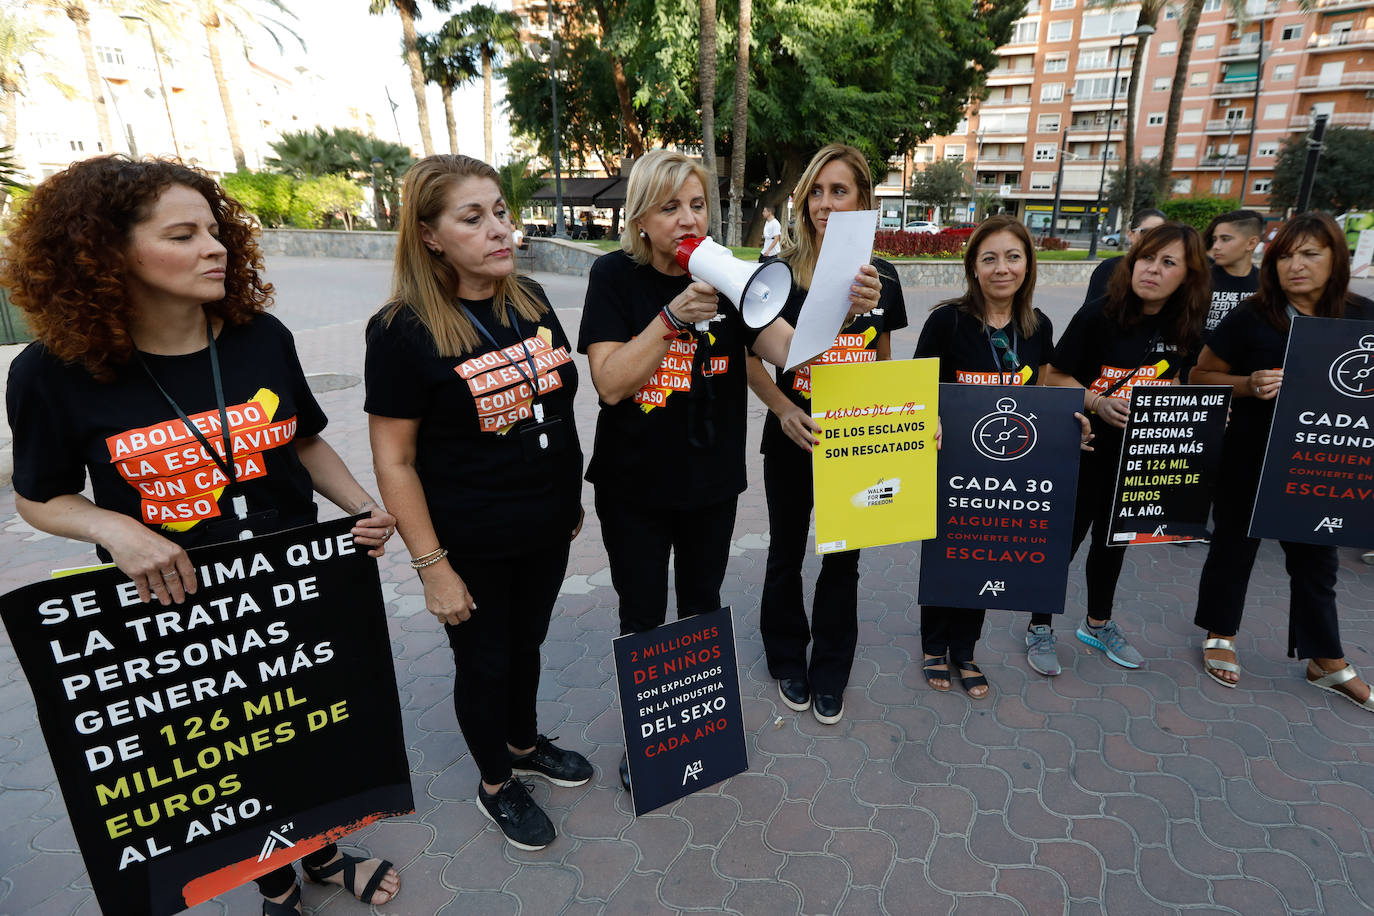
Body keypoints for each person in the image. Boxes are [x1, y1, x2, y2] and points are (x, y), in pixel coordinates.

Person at [2, 157, 401, 915]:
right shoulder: (53, 373)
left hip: (295, 584)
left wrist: (360, 506)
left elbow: (304, 441)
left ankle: (323, 856)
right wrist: (115, 528)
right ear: (106, 254)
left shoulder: (261, 338)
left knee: (304, 733)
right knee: (235, 752)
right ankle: (276, 881)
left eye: (215, 231)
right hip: (177, 610)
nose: (214, 248)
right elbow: (38, 498)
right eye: (182, 235)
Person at [577, 149, 878, 786]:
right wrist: (669, 319)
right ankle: (648, 740)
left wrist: (846, 310)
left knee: (702, 602)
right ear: (640, 221)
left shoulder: (729, 277)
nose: (688, 219)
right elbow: (609, 384)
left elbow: (793, 352)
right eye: (670, 207)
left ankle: (691, 733)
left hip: (711, 483)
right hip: (635, 484)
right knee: (642, 612)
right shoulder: (614, 279)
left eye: (697, 205)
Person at [365, 155, 591, 852]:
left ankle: (522, 744)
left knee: (527, 646)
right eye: (474, 217)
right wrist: (432, 567)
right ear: (430, 235)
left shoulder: (529, 297)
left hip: (545, 525)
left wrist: (568, 496)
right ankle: (496, 782)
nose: (499, 228)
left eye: (499, 211)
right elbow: (394, 459)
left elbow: (556, 405)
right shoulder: (402, 331)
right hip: (472, 539)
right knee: (485, 663)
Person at [746, 145, 909, 722]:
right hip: (794, 433)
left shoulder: (882, 278)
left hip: (858, 442)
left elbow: (883, 359)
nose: (823, 203)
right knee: (786, 551)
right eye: (815, 191)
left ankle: (832, 667)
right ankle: (786, 655)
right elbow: (749, 357)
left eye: (838, 191)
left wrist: (904, 422)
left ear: (863, 200)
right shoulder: (779, 272)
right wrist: (781, 409)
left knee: (844, 559)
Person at [1191, 212, 1374, 709]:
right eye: (1285, 256)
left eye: (1310, 253)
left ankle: (1326, 659)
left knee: (1318, 561)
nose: (1296, 265)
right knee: (1233, 547)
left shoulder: (1362, 318)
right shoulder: (1252, 316)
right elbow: (1201, 375)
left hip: (1322, 464)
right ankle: (1220, 633)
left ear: (1336, 258)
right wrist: (1246, 385)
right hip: (1251, 455)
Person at [914, 216, 1093, 690]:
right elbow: (918, 385)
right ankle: (935, 644)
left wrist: (1070, 426)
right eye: (989, 258)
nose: (1002, 268)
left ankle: (966, 650)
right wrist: (927, 414)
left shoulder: (1038, 327)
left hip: (1009, 467)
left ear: (1028, 265)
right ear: (973, 267)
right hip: (952, 462)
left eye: (1013, 257)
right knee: (948, 552)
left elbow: (1046, 391)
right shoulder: (947, 321)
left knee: (986, 556)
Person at [1042, 223, 1209, 671]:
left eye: (1168, 262)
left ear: (1188, 276)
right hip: (1083, 450)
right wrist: (1098, 401)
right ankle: (1039, 625)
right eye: (1146, 258)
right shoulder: (1098, 315)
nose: (1152, 269)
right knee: (1066, 541)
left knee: (1113, 544)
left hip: (1137, 459)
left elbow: (1178, 378)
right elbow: (1052, 378)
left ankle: (1098, 624)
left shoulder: (1185, 325)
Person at [1084, 209, 1167, 307]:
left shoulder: (1170, 270)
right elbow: (1089, 314)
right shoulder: (1109, 268)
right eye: (1146, 232)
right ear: (1130, 235)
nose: (1153, 238)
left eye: (1160, 234)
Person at [1203, 209, 1263, 333]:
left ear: (1251, 243)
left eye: (1225, 239)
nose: (1216, 246)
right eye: (1215, 239)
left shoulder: (1267, 283)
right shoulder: (1200, 279)